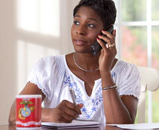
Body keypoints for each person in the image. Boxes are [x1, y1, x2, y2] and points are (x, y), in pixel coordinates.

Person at [9, 0, 140, 125]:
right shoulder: (50, 67)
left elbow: (123, 126)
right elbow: (14, 115)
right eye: (76, 22)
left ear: (109, 32)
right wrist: (50, 114)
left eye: (90, 25)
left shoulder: (127, 72)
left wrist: (105, 72)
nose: (80, 31)